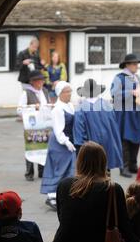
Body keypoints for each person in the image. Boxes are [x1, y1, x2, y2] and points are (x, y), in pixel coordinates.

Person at [48, 141, 140, 242]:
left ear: (79, 161)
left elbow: (65, 220)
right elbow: (127, 237)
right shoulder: (112, 190)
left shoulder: (64, 185)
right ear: (103, 162)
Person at [41, 81, 76, 210]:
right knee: (58, 169)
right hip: (59, 143)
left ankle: (63, 195)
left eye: (70, 91)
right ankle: (51, 196)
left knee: (68, 169)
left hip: (69, 142)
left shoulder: (70, 106)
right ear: (60, 94)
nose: (69, 94)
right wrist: (66, 142)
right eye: (67, 92)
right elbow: (58, 130)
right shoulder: (58, 109)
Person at [74, 79, 123, 170]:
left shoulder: (80, 108)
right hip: (107, 147)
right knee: (106, 173)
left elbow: (79, 133)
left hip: (91, 149)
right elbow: (114, 128)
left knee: (92, 176)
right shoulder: (107, 105)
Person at [111, 53, 140, 178]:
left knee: (136, 139)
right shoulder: (119, 78)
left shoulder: (138, 77)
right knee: (125, 140)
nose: (137, 66)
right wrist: (131, 92)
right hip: (125, 114)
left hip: (138, 113)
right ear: (127, 65)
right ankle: (123, 167)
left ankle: (133, 164)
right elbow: (114, 93)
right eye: (134, 64)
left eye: (137, 64)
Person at [17, 70, 50, 181]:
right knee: (31, 149)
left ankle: (42, 171)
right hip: (31, 126)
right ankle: (29, 173)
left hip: (43, 125)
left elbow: (48, 106)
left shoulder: (45, 91)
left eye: (42, 80)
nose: (41, 82)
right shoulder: (26, 93)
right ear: (32, 82)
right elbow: (19, 110)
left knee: (43, 148)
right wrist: (32, 107)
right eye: (38, 80)